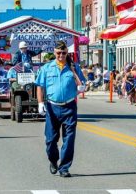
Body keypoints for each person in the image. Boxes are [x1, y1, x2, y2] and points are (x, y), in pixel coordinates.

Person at [35, 40, 86, 178]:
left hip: (69, 106)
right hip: (52, 106)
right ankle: (53, 160)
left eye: (64, 53)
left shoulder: (73, 67)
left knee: (69, 139)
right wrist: (40, 103)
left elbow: (82, 85)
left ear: (67, 53)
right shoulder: (47, 68)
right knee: (51, 140)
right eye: (58, 53)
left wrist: (75, 73)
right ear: (54, 53)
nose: (61, 55)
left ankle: (64, 167)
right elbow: (40, 86)